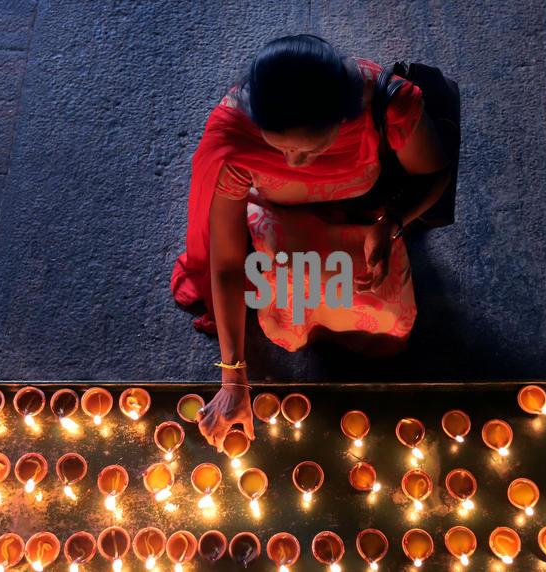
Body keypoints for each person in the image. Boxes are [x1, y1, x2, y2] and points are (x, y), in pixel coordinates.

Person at [170, 34, 453, 450]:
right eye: (278, 146)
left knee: (380, 308)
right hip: (281, 218)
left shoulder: (383, 107)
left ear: (343, 118)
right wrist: (234, 377)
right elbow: (227, 262)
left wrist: (392, 223)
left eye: (309, 150)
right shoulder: (237, 140)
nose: (292, 163)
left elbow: (435, 174)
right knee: (292, 295)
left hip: (365, 211)